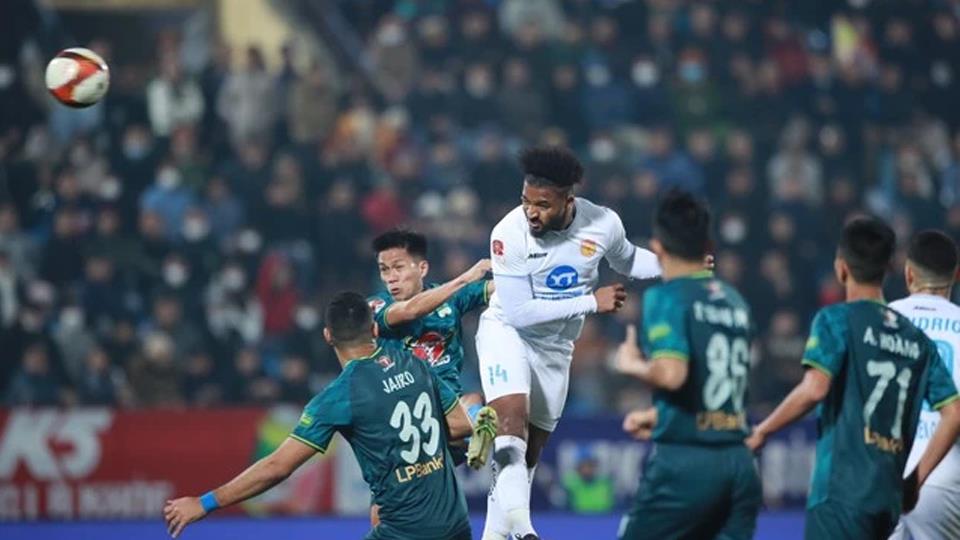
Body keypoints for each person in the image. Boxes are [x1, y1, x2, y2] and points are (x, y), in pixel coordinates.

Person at [163, 292, 474, 540]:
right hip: (457, 525)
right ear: (375, 329)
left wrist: (204, 503)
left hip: (405, 532)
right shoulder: (415, 364)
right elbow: (460, 425)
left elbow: (277, 467)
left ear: (328, 336)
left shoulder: (338, 396)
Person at [478, 145, 661, 540]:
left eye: (542, 205)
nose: (531, 212)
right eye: (526, 201)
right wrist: (591, 302)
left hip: (556, 347)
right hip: (507, 331)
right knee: (510, 421)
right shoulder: (508, 233)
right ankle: (525, 531)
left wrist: (678, 264)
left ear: (568, 200)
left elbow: (628, 260)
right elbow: (520, 313)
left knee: (529, 452)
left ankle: (495, 535)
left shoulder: (602, 223)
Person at [746, 218, 960, 540]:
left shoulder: (838, 320)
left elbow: (815, 388)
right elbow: (953, 412)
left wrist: (763, 430)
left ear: (841, 268)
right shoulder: (912, 337)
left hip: (846, 486)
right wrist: (915, 481)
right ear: (891, 268)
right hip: (907, 488)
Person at [615, 190, 761, 539]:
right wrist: (661, 416)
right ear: (708, 246)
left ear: (658, 248)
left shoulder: (666, 297)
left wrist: (632, 364)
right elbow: (715, 380)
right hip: (740, 463)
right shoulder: (734, 300)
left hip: (687, 464)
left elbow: (672, 375)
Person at [368, 229, 497, 468]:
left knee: (474, 400)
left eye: (398, 267)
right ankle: (466, 435)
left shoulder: (451, 299)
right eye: (384, 270)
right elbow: (411, 311)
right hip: (403, 415)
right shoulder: (376, 306)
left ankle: (468, 439)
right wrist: (466, 278)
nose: (391, 278)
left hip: (449, 412)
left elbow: (496, 288)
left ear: (422, 268)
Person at [890, 230, 960, 539]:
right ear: (956, 276)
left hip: (883, 474)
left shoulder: (883, 318)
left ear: (909, 274)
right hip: (946, 477)